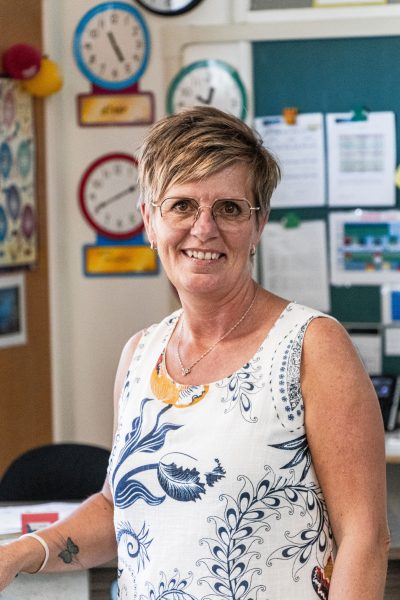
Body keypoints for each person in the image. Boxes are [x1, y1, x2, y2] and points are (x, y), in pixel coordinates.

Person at [0, 106, 389, 599]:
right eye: (182, 205)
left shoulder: (312, 346)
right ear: (149, 220)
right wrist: (19, 552)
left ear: (259, 224)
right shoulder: (140, 355)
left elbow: (365, 537)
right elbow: (118, 509)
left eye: (229, 208)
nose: (204, 229)